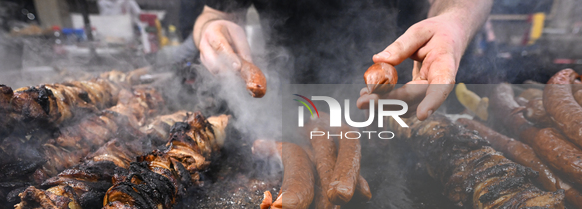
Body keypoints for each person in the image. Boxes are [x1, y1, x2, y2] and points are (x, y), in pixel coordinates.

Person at [192, 0, 493, 120]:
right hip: (295, 106)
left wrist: (455, 21)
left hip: (413, 94)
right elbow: (217, 12)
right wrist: (211, 28)